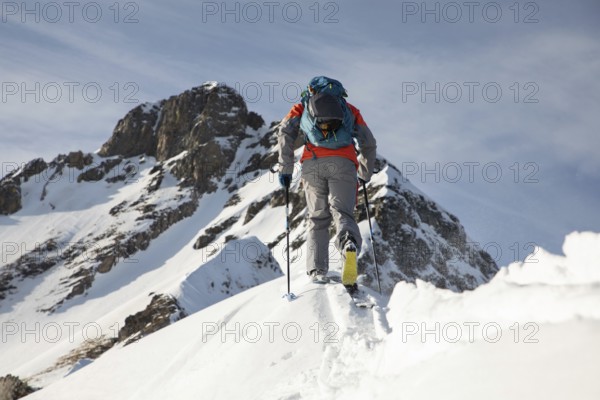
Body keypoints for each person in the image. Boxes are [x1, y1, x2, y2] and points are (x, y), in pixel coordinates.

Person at [277, 76, 377, 288]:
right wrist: (365, 174)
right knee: (342, 212)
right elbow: (369, 143)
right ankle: (348, 243)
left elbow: (285, 131)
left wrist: (285, 168)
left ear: (312, 90)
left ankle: (317, 270)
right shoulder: (350, 109)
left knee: (318, 217)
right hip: (344, 164)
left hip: (312, 165)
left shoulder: (302, 106)